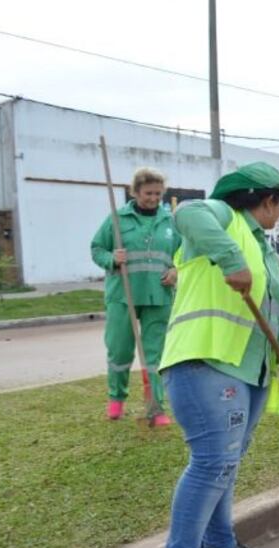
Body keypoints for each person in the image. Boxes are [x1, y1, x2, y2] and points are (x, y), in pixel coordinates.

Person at [154, 162, 279, 548]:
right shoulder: (222, 216)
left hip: (250, 370)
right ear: (264, 199)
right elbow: (186, 214)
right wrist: (231, 261)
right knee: (212, 462)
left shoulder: (264, 248)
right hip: (204, 361)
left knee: (228, 463)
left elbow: (275, 311)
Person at [90, 167, 179, 425]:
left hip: (159, 296)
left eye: (158, 194)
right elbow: (97, 248)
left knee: (156, 355)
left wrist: (175, 271)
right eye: (148, 193)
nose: (153, 198)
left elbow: (184, 255)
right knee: (119, 350)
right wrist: (111, 259)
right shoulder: (118, 219)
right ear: (136, 192)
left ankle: (155, 407)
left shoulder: (170, 221)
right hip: (123, 295)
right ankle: (116, 399)